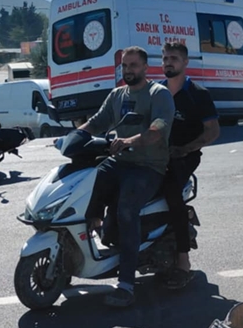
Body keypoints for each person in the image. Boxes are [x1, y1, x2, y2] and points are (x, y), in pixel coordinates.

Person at [77, 45, 175, 308]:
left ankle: (126, 284)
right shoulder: (117, 95)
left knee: (126, 210)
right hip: (119, 161)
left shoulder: (159, 94)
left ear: (145, 68)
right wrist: (75, 137)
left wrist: (128, 140)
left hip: (148, 166)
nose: (128, 70)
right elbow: (97, 122)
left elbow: (157, 130)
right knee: (87, 191)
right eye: (124, 65)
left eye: (133, 65)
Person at [157, 41, 220, 290]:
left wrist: (184, 149)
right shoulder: (155, 92)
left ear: (185, 63)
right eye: (165, 59)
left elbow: (213, 131)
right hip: (155, 155)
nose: (168, 62)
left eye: (173, 58)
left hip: (184, 156)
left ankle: (183, 263)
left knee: (173, 195)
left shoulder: (198, 94)